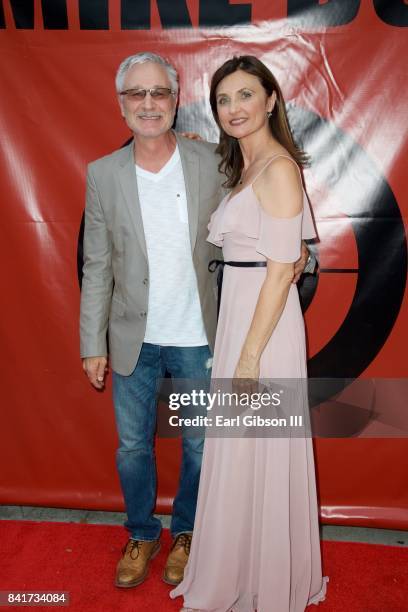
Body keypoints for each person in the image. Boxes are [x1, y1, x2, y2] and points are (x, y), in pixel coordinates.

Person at [80, 52, 309, 591]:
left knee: (203, 445)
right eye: (136, 94)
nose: (148, 104)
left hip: (203, 338)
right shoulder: (101, 174)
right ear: (121, 105)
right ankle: (141, 533)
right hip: (133, 337)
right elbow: (97, 264)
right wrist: (92, 341)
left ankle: (187, 532)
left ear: (175, 100)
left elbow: (268, 222)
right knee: (133, 446)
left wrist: (301, 257)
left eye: (158, 92)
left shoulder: (212, 161)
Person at [170, 56, 328, 611]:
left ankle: (262, 579)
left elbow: (284, 269)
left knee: (255, 449)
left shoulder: (279, 167)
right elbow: (292, 252)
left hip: (264, 327)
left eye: (244, 95)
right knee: (242, 453)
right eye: (222, 100)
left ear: (271, 100)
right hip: (245, 314)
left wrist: (248, 359)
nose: (233, 109)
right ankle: (242, 570)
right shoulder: (246, 164)